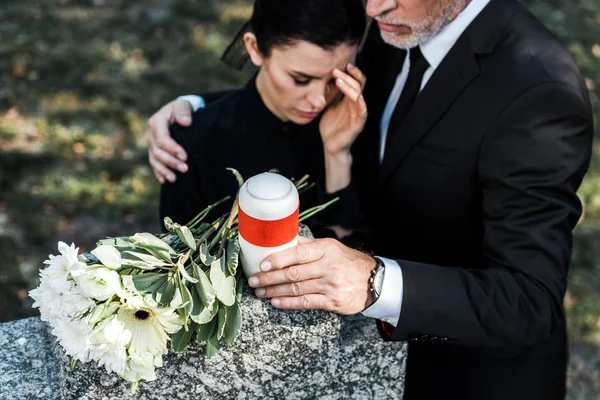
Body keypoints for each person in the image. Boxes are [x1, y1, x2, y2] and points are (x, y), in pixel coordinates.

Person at [146, 0, 595, 399]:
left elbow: (529, 299)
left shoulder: (537, 91)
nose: (373, 7)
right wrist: (194, 111)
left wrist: (375, 283)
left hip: (467, 374)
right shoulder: (401, 23)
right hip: (363, 368)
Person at [158, 0, 368, 232]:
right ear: (254, 48)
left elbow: (356, 247)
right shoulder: (194, 144)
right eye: (301, 80)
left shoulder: (355, 120)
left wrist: (337, 156)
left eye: (336, 80)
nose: (319, 100)